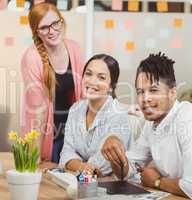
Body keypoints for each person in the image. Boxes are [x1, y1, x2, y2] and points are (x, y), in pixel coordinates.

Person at [101, 52, 192, 199]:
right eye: (140, 92)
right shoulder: (152, 123)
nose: (145, 99)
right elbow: (127, 171)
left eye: (153, 90)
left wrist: (157, 182)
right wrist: (115, 151)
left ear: (172, 93)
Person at [20, 2, 84, 163]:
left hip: (72, 137)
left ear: (62, 21)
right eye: (44, 27)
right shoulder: (32, 58)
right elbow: (38, 111)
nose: (52, 31)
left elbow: (85, 96)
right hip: (48, 138)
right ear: (36, 31)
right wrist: (34, 156)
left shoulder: (74, 48)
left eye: (55, 23)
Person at [59, 54, 132, 176]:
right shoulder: (75, 109)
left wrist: (77, 165)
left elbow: (103, 166)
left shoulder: (118, 114)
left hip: (115, 185)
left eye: (101, 78)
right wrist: (82, 166)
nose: (92, 81)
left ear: (111, 87)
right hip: (83, 180)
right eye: (88, 74)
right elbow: (66, 152)